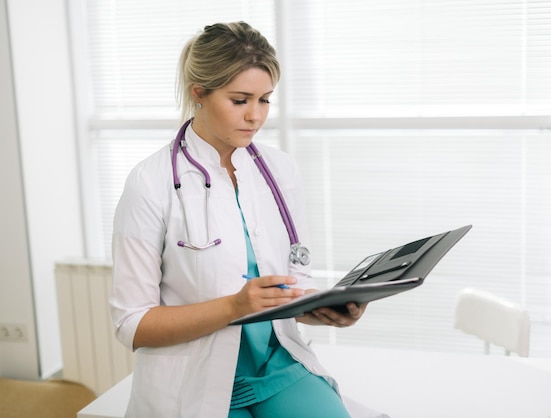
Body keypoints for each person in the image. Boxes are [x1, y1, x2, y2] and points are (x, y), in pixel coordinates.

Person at [110, 21, 368, 418]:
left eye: (265, 100)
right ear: (199, 93)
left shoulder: (280, 171)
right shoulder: (150, 183)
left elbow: (293, 280)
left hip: (277, 367)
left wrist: (319, 309)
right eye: (240, 100)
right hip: (192, 381)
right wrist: (234, 306)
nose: (255, 116)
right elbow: (133, 324)